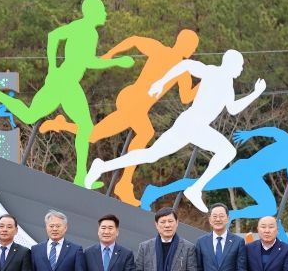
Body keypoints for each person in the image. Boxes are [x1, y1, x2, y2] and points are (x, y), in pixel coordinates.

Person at [0, 0, 134, 186]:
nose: (105, 14)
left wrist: (53, 68)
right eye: (102, 10)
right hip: (66, 82)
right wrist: (117, 62)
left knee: (31, 116)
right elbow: (87, 60)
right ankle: (80, 177)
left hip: (63, 80)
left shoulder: (82, 28)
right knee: (84, 126)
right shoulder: (87, 31)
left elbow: (55, 37)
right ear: (93, 13)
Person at [85, 49, 266, 213]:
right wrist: (161, 82)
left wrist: (255, 93)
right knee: (225, 151)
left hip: (196, 126)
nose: (241, 70)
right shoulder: (212, 72)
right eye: (240, 66)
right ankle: (195, 189)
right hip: (191, 123)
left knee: (153, 154)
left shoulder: (228, 85)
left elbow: (233, 109)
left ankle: (103, 166)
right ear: (231, 64)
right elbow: (186, 64)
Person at [40, 30, 199, 205]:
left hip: (137, 105)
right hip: (133, 99)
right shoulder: (164, 54)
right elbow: (134, 39)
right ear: (185, 44)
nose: (193, 51)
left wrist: (207, 82)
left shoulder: (180, 68)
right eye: (193, 47)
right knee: (146, 132)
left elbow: (185, 97)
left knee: (93, 135)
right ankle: (124, 184)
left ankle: (60, 124)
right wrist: (110, 54)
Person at [140, 126, 288, 225]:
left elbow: (274, 131)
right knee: (199, 184)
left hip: (251, 176)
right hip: (245, 172)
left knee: (269, 207)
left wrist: (250, 133)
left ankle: (231, 215)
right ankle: (154, 192)